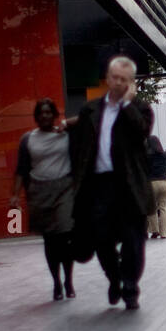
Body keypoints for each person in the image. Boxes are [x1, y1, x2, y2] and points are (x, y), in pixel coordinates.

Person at [69, 55, 155, 310]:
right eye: (114, 77)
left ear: (131, 83)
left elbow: (142, 132)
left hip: (128, 185)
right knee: (100, 238)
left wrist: (127, 105)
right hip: (98, 185)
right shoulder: (91, 109)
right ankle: (114, 278)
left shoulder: (140, 108)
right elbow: (80, 147)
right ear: (107, 78)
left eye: (123, 79)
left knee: (133, 241)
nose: (117, 83)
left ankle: (130, 285)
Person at [11, 99, 75, 300]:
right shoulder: (27, 139)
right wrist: (14, 195)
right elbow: (21, 170)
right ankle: (56, 282)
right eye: (41, 113)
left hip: (65, 189)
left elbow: (90, 119)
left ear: (55, 115)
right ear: (36, 116)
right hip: (39, 191)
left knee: (65, 237)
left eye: (49, 112)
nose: (45, 116)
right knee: (50, 241)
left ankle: (68, 280)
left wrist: (67, 123)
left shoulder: (65, 135)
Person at [146, 125, 166, 239]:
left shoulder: (146, 156)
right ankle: (164, 233)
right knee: (164, 208)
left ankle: (155, 231)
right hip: (165, 183)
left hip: (151, 183)